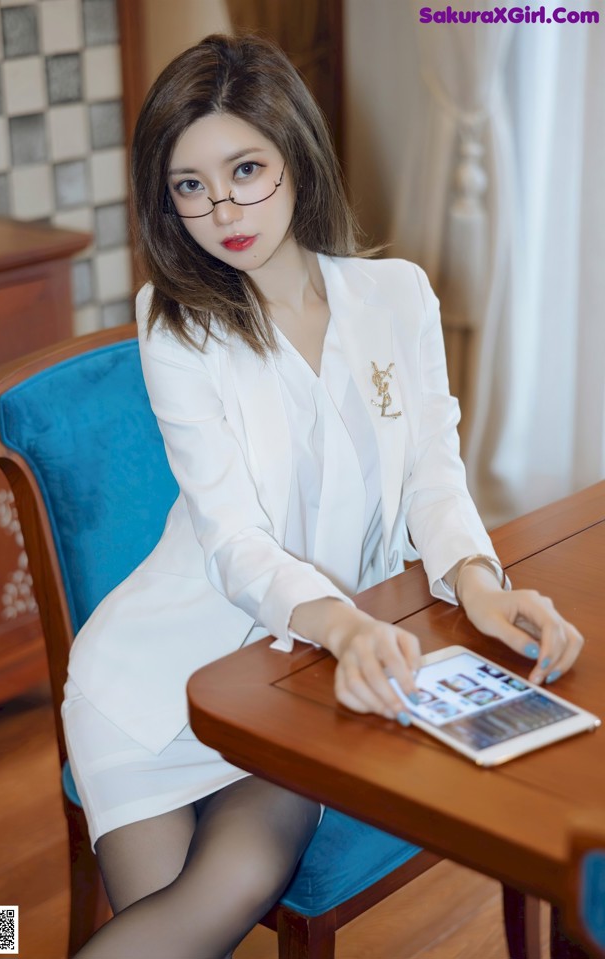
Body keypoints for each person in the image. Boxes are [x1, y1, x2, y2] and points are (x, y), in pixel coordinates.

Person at [62, 33, 584, 959]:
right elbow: (233, 541)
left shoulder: (396, 296)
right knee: (184, 934)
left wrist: (479, 581)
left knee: (236, 876)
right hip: (157, 677)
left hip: (289, 689)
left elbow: (433, 474)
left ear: (296, 152)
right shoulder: (175, 326)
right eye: (189, 185)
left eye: (246, 168)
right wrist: (343, 625)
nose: (221, 208)